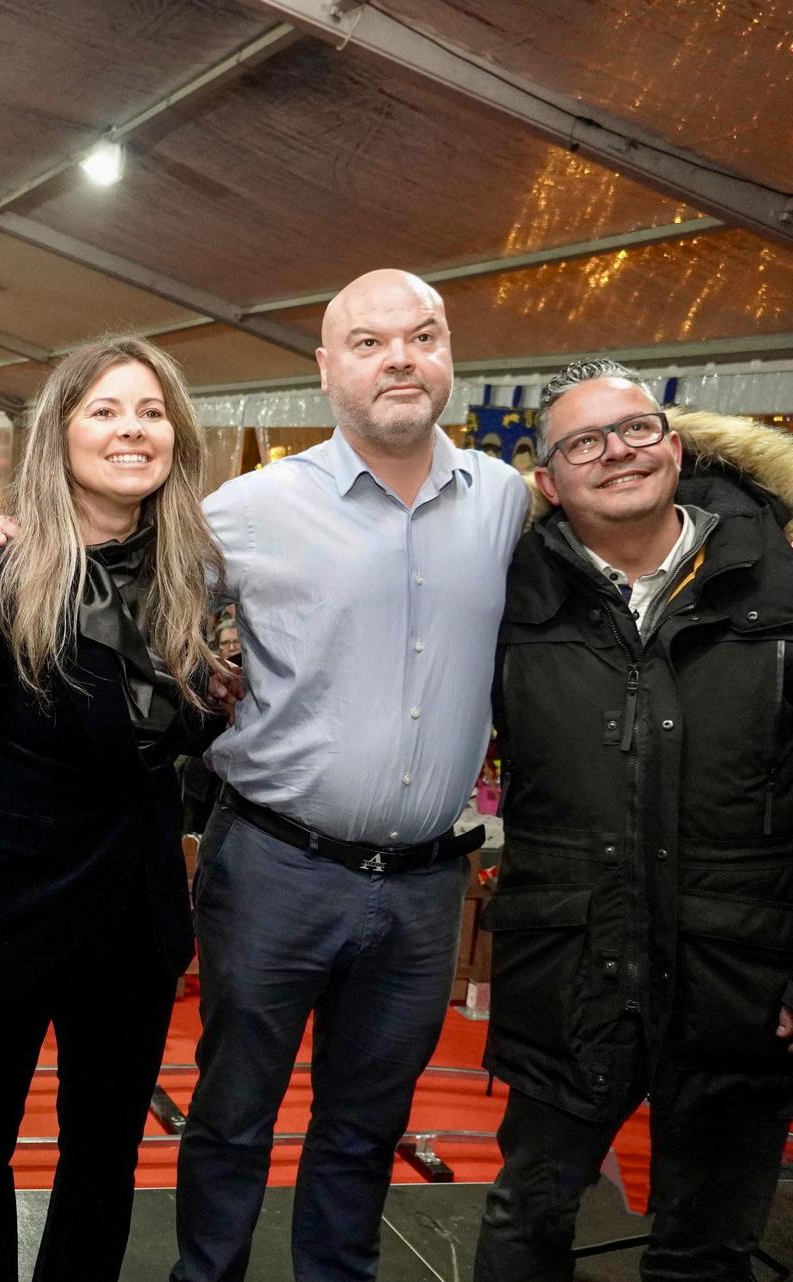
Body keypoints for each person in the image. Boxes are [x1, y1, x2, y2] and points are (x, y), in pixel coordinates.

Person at [170, 269, 527, 1281]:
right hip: (275, 866)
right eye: (369, 343)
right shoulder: (248, 505)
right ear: (327, 370)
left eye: (423, 336)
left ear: (450, 353)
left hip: (425, 888)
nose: (401, 359)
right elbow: (129, 588)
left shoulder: (504, 504)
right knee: (234, 1112)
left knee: (366, 1126)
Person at [0, 336, 223, 1282]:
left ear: (176, 435)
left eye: (151, 412)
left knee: (105, 1154)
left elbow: (179, 746)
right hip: (1, 915)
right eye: (106, 411)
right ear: (60, 434)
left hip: (134, 918)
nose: (132, 430)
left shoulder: (191, 578)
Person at [475, 363, 793, 1279]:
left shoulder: (779, 579)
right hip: (571, 965)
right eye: (584, 442)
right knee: (527, 1221)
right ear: (548, 482)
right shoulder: (509, 598)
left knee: (708, 1247)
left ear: (676, 445)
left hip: (739, 971)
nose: (616, 452)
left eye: (636, 429)